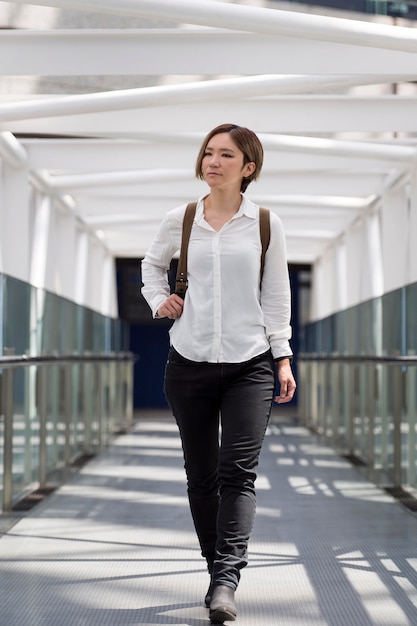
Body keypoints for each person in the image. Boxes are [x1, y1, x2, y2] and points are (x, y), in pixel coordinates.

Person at [141, 123, 296, 623]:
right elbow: (151, 265)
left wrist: (283, 355)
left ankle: (227, 578)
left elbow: (275, 294)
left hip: (250, 364)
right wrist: (158, 300)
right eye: (208, 153)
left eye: (225, 155)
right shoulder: (181, 219)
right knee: (201, 476)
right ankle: (215, 574)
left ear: (248, 168)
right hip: (188, 362)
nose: (213, 162)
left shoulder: (266, 224)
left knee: (238, 474)